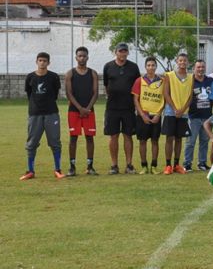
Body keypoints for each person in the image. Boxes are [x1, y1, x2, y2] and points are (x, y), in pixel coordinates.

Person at [21, 52, 64, 180]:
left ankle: (57, 170)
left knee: (55, 142)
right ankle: (30, 171)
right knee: (32, 143)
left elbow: (55, 94)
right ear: (36, 62)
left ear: (48, 63)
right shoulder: (30, 77)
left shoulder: (54, 77)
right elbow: (30, 94)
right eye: (40, 60)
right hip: (35, 114)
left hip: (51, 113)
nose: (42, 63)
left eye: (45, 61)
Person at [103, 43, 141, 175]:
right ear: (116, 52)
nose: (123, 54)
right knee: (113, 136)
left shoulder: (133, 67)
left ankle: (129, 165)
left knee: (128, 135)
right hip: (112, 108)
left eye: (125, 51)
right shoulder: (108, 66)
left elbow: (137, 86)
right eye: (120, 51)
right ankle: (114, 165)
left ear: (127, 53)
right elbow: (107, 85)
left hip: (128, 107)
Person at [65, 46, 99, 176]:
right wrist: (80, 108)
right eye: (79, 56)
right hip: (74, 111)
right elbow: (69, 93)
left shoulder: (93, 73)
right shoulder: (70, 73)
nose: (82, 58)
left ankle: (90, 166)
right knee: (73, 138)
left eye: (84, 56)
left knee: (89, 137)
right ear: (76, 57)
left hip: (89, 111)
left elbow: (95, 93)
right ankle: (72, 167)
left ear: (87, 57)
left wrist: (87, 109)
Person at [132, 56, 165, 174]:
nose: (151, 67)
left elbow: (164, 99)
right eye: (148, 65)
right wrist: (142, 115)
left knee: (155, 141)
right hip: (143, 116)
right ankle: (144, 166)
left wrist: (158, 114)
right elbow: (136, 99)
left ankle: (154, 166)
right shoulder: (139, 80)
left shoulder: (162, 81)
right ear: (145, 67)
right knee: (142, 141)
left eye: (153, 65)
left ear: (156, 67)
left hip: (156, 116)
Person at [162, 52, 193, 175]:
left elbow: (190, 96)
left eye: (185, 61)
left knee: (179, 138)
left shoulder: (191, 77)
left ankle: (176, 164)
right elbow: (166, 93)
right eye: (180, 60)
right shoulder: (169, 75)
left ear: (188, 62)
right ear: (176, 61)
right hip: (171, 111)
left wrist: (183, 109)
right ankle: (168, 165)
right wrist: (175, 108)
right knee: (169, 138)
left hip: (183, 112)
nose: (182, 63)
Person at [184, 59, 213, 172]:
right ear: (194, 69)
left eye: (202, 67)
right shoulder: (190, 81)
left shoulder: (210, 80)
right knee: (190, 142)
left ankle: (202, 163)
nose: (200, 69)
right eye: (198, 67)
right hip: (193, 116)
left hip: (207, 116)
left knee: (204, 141)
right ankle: (187, 163)